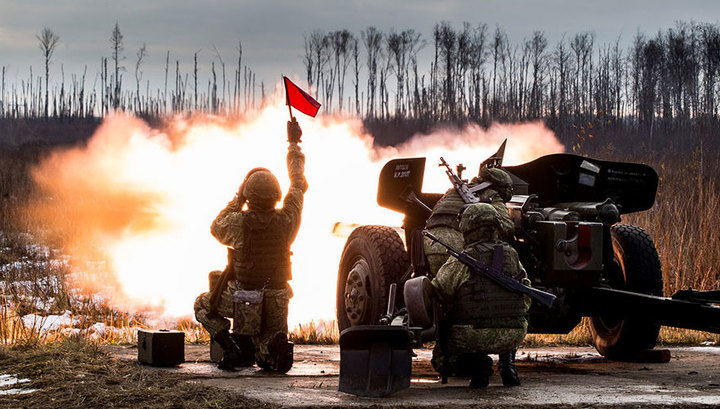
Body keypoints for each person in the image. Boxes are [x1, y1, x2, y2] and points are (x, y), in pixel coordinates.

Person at [194, 118, 307, 373]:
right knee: (265, 356)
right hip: (278, 296)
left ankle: (230, 347)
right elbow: (298, 182)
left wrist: (238, 197)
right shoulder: (288, 219)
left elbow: (216, 226)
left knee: (202, 304)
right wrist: (294, 143)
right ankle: (273, 345)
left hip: (245, 298)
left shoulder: (237, 223)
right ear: (276, 194)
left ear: (250, 195)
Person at [429, 202, 531, 388]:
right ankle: (508, 366)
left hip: (472, 336)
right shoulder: (512, 255)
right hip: (514, 334)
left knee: (442, 360)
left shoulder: (462, 259)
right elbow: (526, 294)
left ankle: (479, 369)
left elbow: (439, 291)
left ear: (467, 227)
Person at [423, 164, 515, 278]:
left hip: (429, 246)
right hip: (457, 251)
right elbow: (507, 227)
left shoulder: (451, 192)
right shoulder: (491, 194)